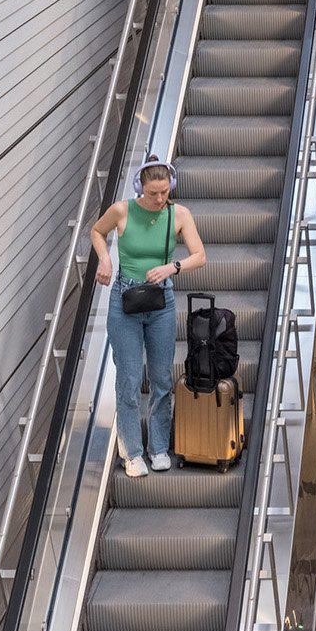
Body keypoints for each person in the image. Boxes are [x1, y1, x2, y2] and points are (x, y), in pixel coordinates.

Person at [90, 156, 207, 478]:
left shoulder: (178, 213)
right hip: (124, 301)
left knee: (161, 379)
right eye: (153, 193)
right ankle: (132, 453)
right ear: (140, 187)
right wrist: (105, 261)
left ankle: (158, 448)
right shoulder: (122, 210)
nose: (159, 199)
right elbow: (97, 232)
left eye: (165, 192)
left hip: (161, 302)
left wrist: (173, 266)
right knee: (127, 382)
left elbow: (200, 256)